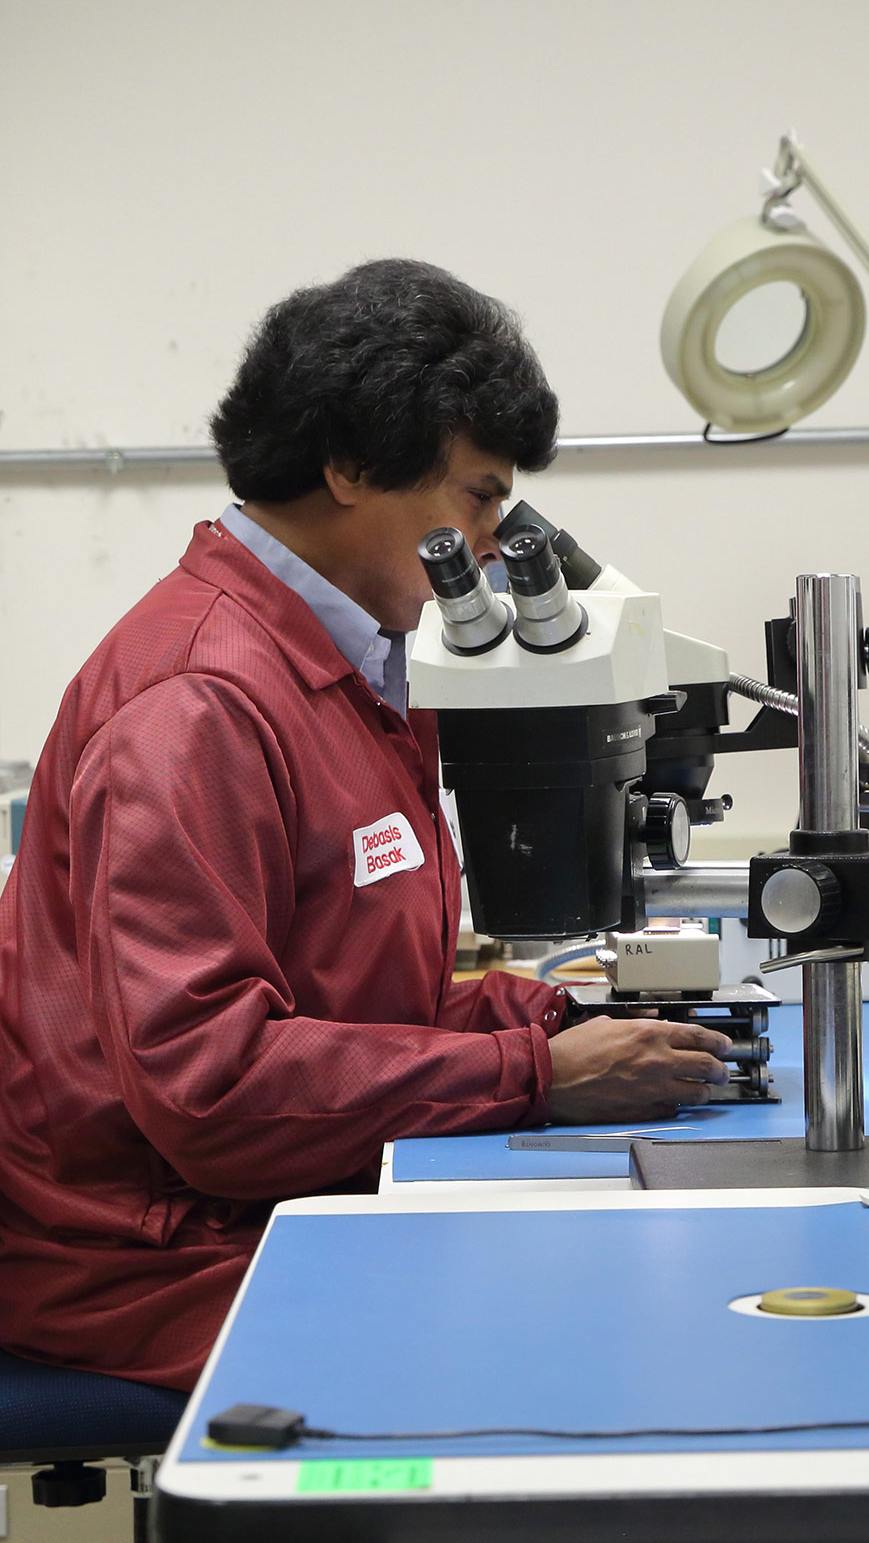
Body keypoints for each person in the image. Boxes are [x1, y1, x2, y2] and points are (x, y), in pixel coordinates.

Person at [0, 259, 731, 1390]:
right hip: (147, 1249)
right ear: (347, 466)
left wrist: (550, 1008)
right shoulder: (198, 702)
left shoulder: (351, 663)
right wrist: (534, 1070)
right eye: (479, 495)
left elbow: (340, 995)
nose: (495, 537)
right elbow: (216, 1087)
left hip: (256, 1195)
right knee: (563, 1349)